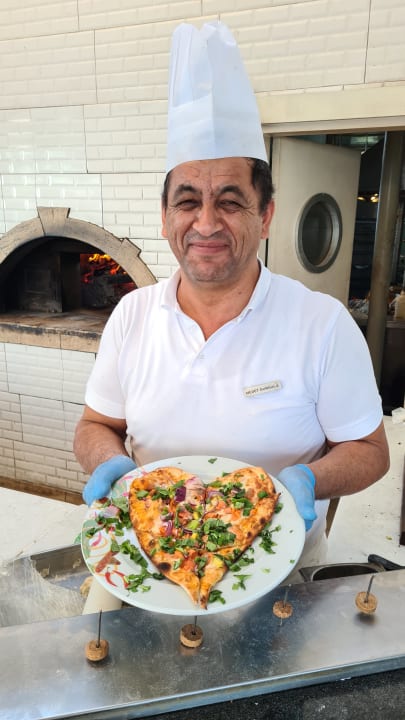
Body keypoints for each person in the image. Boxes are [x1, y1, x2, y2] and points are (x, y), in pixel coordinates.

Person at [74, 21, 389, 573]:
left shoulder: (322, 323)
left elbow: (370, 452)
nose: (206, 223)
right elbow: (96, 424)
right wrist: (110, 462)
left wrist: (309, 478)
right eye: (187, 201)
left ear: (265, 216)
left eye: (230, 201)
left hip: (282, 573)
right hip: (150, 561)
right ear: (165, 217)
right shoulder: (132, 315)